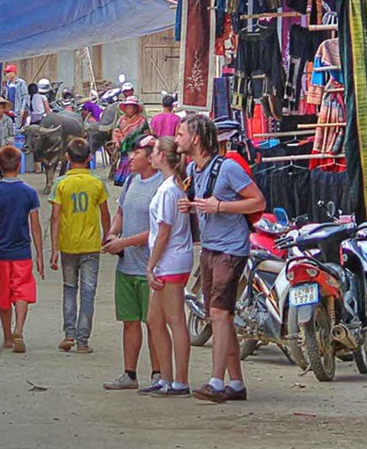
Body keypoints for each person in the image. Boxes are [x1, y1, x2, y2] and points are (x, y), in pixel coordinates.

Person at [176, 114, 266, 403]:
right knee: (220, 316)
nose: (178, 138)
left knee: (219, 313)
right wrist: (194, 207)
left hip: (230, 249)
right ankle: (236, 383)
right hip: (211, 247)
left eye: (181, 134)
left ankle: (217, 381)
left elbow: (258, 201)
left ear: (197, 139)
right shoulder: (194, 168)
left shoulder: (227, 167)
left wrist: (220, 206)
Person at [101, 135, 165, 390]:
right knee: (129, 321)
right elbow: (121, 212)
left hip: (151, 267)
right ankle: (129, 374)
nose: (130, 157)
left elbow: (159, 230)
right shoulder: (130, 182)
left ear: (150, 157)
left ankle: (158, 373)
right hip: (127, 266)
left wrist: (123, 243)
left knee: (154, 323)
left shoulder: (163, 186)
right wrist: (113, 234)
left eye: (135, 153)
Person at [137, 137, 195, 397]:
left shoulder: (169, 190)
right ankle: (166, 377)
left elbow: (163, 232)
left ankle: (179, 380)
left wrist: (150, 266)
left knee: (174, 320)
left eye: (155, 151)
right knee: (155, 320)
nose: (151, 155)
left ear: (163, 157)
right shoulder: (171, 187)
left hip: (170, 260)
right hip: (169, 259)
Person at [48, 138, 109, 354]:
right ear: (90, 158)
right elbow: (105, 213)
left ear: (67, 158)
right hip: (91, 245)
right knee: (88, 292)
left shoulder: (61, 184)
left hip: (68, 245)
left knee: (69, 288)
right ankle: (83, 341)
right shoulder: (97, 184)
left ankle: (69, 334)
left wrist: (54, 248)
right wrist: (107, 236)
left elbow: (55, 218)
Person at [0, 146, 45, 353]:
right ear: (19, 165)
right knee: (22, 290)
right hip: (22, 252)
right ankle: (19, 328)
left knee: (4, 292)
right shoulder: (29, 193)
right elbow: (35, 226)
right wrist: (40, 255)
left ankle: (8, 336)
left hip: (0, 252)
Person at [109, 96, 149, 186]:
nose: (129, 109)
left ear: (135, 108)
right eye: (127, 107)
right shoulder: (121, 120)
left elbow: (146, 134)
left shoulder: (142, 121)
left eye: (131, 107)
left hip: (136, 148)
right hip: (124, 148)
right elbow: (116, 131)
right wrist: (116, 141)